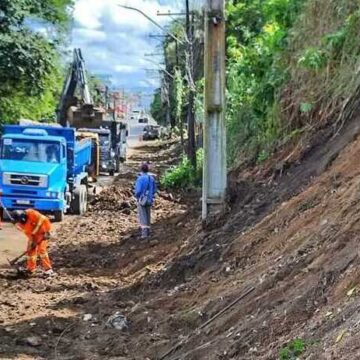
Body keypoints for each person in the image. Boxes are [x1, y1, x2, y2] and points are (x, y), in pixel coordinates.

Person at [10, 209, 54, 277]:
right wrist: (32, 241)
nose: (21, 221)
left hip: (42, 233)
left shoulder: (31, 213)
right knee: (30, 252)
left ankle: (48, 270)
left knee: (42, 251)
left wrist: (47, 231)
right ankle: (30, 269)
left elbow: (44, 219)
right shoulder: (19, 224)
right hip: (33, 236)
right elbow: (28, 233)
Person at [134, 163, 157, 238]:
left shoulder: (140, 178)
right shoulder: (151, 178)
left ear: (141, 170)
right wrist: (151, 196)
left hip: (142, 199)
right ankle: (149, 231)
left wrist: (137, 196)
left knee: (142, 216)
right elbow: (154, 190)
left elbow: (138, 191)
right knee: (148, 215)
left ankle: (144, 234)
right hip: (150, 199)